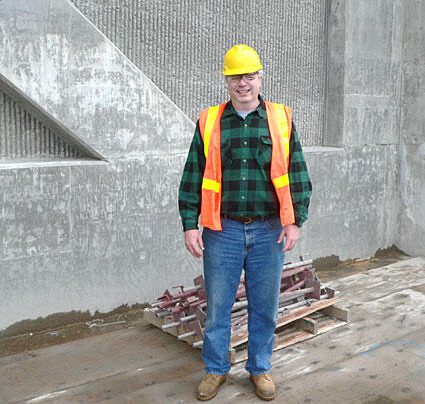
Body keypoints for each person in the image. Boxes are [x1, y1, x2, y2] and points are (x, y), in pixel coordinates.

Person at [178, 44, 312, 401]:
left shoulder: (280, 119)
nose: (243, 83)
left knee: (264, 306)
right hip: (222, 230)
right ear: (226, 79)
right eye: (236, 76)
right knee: (218, 306)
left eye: (249, 75)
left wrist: (295, 221)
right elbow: (193, 174)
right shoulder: (210, 121)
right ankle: (216, 369)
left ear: (260, 77)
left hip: (269, 230)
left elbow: (297, 172)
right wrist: (190, 223)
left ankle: (260, 369)